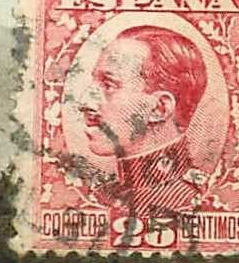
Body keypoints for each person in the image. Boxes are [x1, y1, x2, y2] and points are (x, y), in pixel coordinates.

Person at [79, 26, 211, 218]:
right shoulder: (101, 197)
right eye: (95, 83)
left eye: (108, 85)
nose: (85, 102)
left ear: (159, 108)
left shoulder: (198, 201)